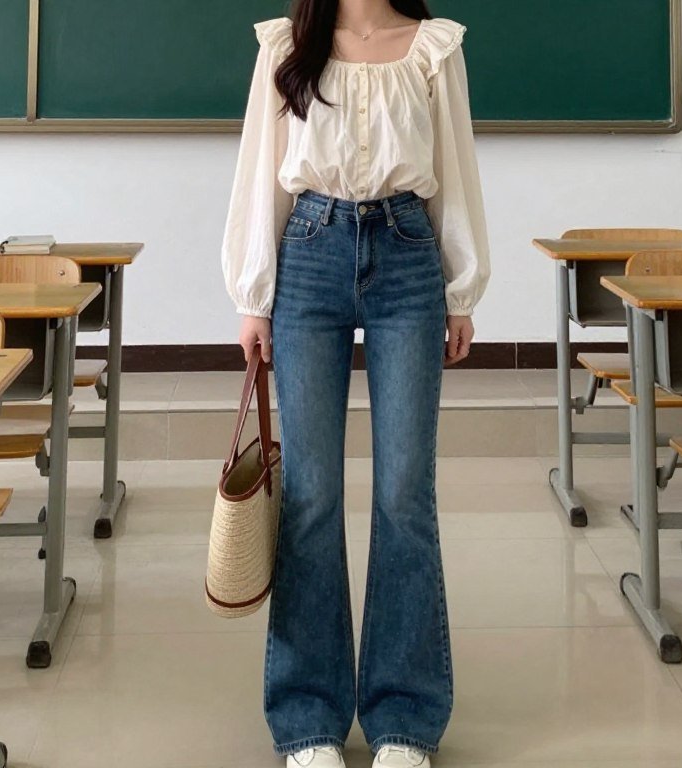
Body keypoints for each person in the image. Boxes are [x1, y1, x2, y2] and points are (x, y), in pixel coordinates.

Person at [221, 0, 490, 765]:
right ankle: (309, 717)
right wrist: (253, 297)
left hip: (407, 256)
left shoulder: (434, 48)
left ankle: (404, 718)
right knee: (310, 493)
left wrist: (460, 289)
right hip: (309, 252)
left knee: (406, 490)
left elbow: (457, 167)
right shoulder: (287, 44)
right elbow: (258, 170)